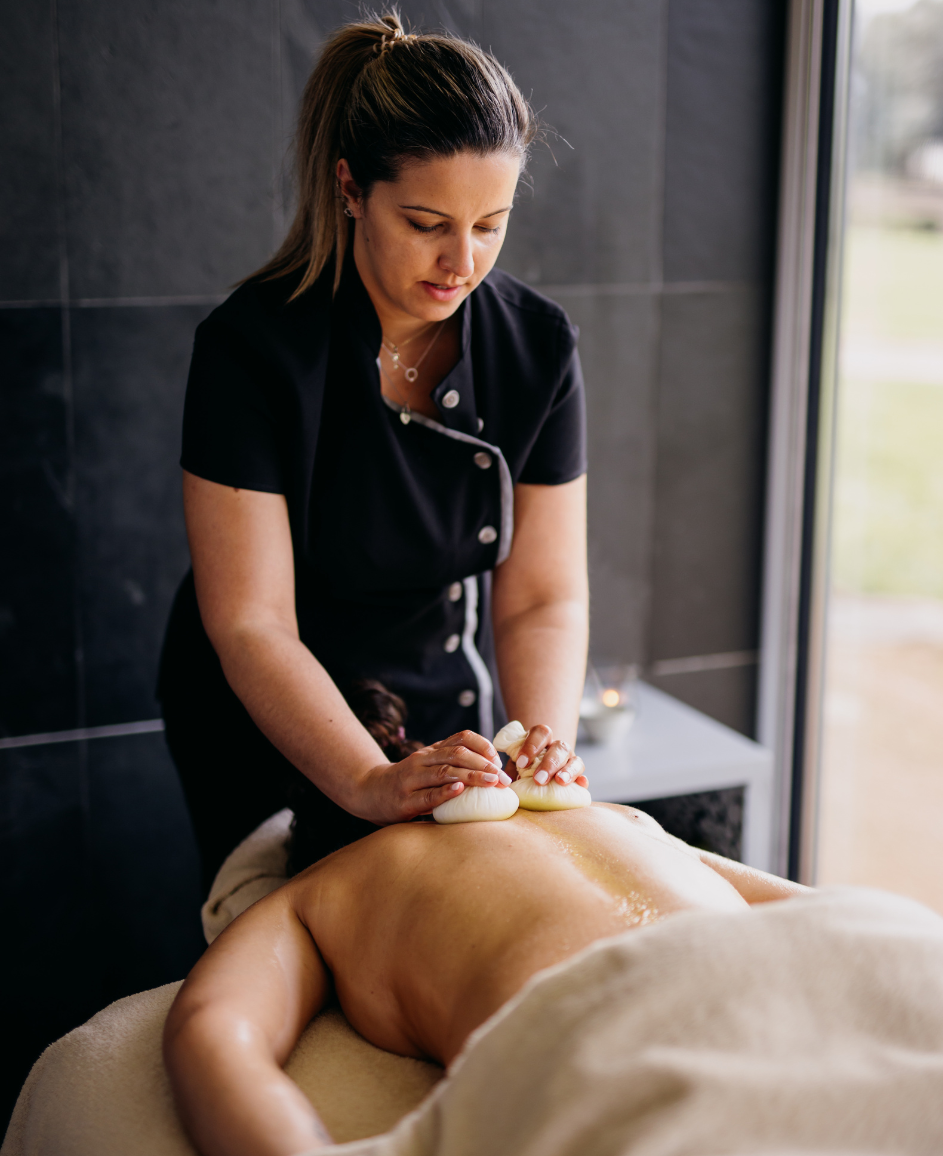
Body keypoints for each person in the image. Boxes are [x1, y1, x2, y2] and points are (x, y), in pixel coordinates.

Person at [157, 11, 590, 889]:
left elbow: (541, 594)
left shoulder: (537, 347)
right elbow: (252, 621)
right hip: (274, 712)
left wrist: (540, 748)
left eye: (490, 224)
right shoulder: (252, 352)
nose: (460, 260)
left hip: (433, 688)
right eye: (427, 221)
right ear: (352, 188)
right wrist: (365, 778)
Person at [164, 794, 809, 1156]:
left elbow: (212, 1031)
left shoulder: (327, 885)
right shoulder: (615, 818)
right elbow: (814, 911)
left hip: (618, 1046)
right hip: (787, 991)